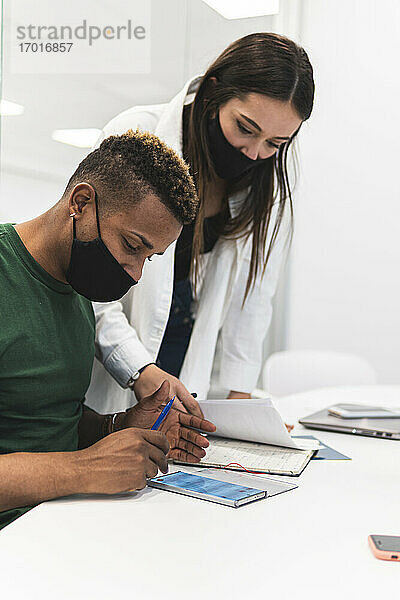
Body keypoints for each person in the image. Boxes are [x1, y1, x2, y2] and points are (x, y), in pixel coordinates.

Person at [86, 32, 315, 416]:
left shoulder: (266, 189)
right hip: (113, 356)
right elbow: (90, 282)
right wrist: (136, 367)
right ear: (213, 92)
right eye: (245, 128)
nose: (255, 154)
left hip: (185, 364)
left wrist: (241, 401)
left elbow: (253, 303)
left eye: (275, 143)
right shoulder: (134, 135)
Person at [0, 129, 216, 530]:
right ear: (81, 203)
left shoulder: (79, 291)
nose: (135, 274)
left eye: (150, 258)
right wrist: (82, 469)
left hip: (64, 525)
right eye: (133, 246)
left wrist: (120, 425)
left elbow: (45, 419)